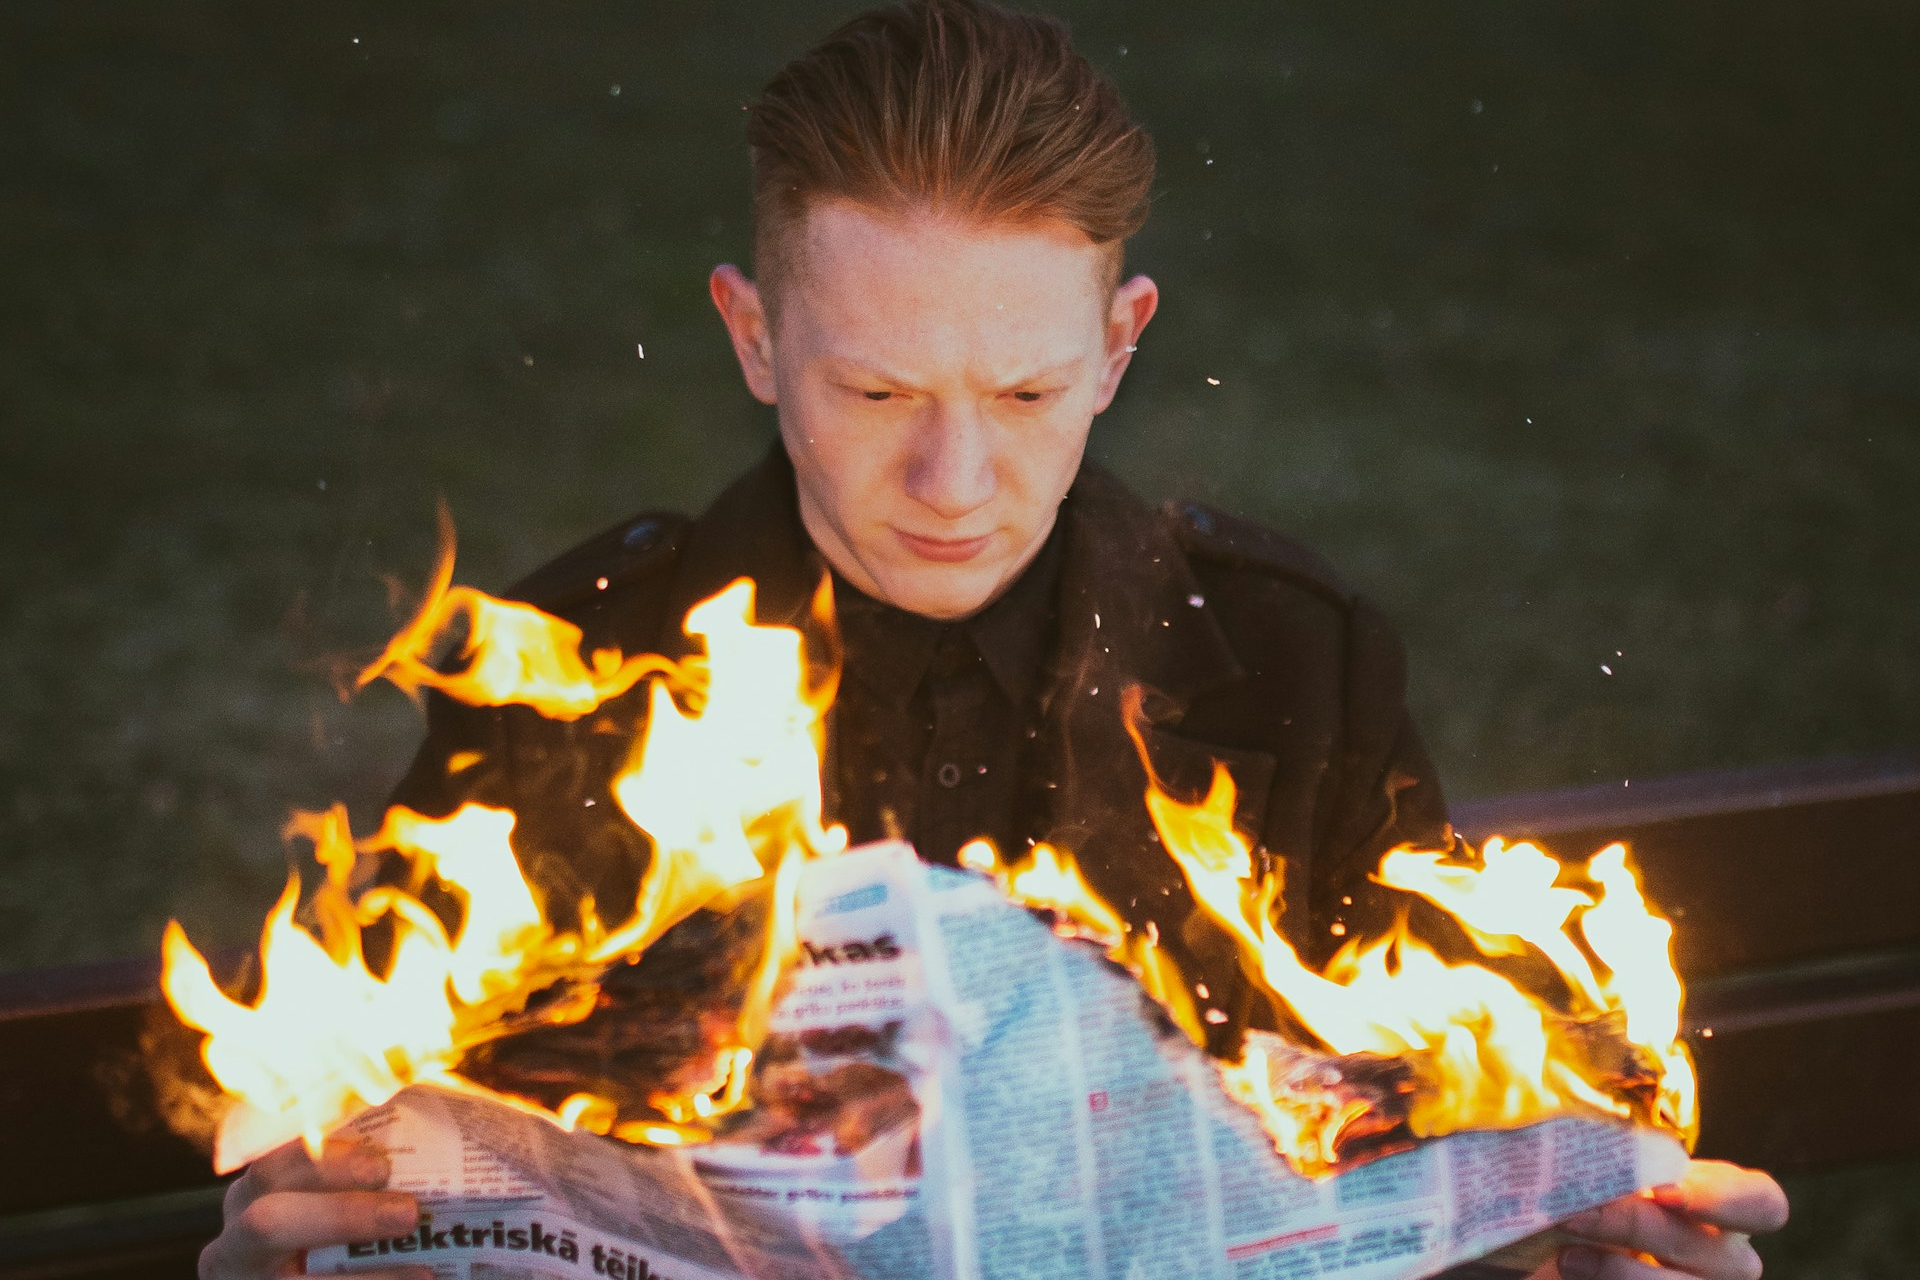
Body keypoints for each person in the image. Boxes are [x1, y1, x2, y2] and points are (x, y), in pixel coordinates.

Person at [197, 3, 1788, 1278]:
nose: (954, 484)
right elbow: (396, 1146)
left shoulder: (1293, 666)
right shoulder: (564, 672)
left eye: (1025, 394)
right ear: (755, 338)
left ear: (1119, 347)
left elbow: (1423, 1141)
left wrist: (1574, 1247)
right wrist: (297, 1241)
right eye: (876, 390)